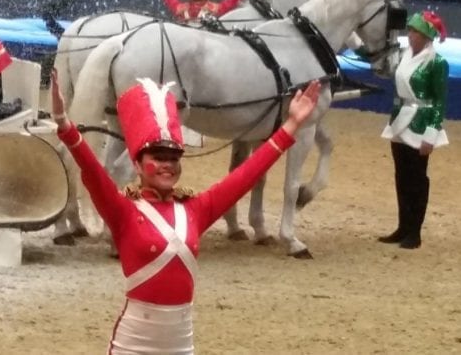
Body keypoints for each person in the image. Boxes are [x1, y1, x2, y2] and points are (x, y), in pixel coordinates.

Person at [50, 69, 323, 354]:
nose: (167, 165)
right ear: (137, 165)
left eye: (173, 158)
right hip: (133, 344)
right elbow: (93, 173)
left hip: (180, 344)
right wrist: (64, 125)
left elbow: (245, 177)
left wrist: (291, 125)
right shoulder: (123, 212)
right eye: (158, 158)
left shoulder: (196, 209)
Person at [379, 11, 450, 250]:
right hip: (400, 120)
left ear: (426, 36)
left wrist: (432, 133)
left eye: (415, 33)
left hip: (421, 122)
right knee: (401, 176)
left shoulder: (437, 63)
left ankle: (415, 231)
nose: (410, 36)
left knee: (417, 178)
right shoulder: (403, 56)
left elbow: (439, 101)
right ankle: (403, 226)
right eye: (410, 31)